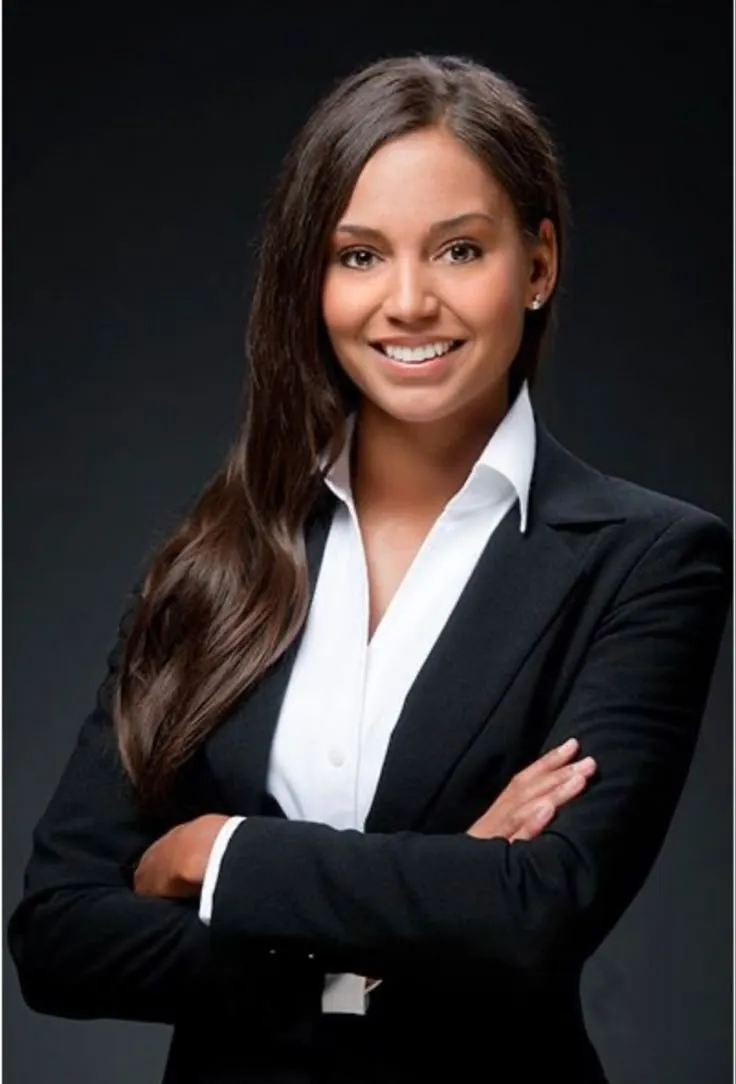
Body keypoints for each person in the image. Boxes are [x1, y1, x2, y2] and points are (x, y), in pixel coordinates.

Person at [8, 53, 732, 1084]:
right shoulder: (216, 554)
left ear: (537, 265)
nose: (407, 302)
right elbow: (59, 934)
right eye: (357, 255)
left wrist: (217, 853)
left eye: (458, 250)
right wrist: (385, 949)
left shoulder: (650, 559)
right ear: (312, 280)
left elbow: (539, 909)